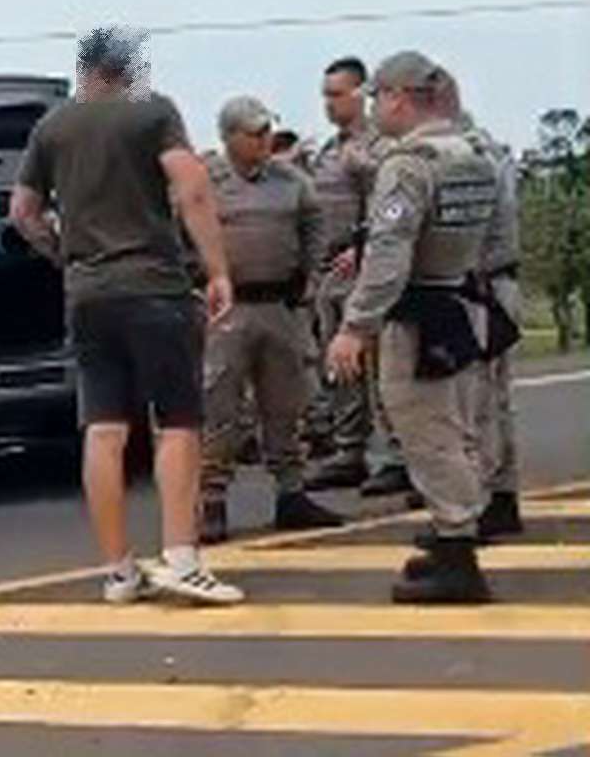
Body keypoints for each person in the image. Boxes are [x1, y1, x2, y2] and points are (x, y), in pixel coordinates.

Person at [10, 26, 243, 605]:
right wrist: (216, 270)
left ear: (85, 67)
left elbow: (23, 213)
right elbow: (191, 189)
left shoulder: (52, 126)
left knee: (105, 429)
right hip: (154, 287)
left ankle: (119, 571)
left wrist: (64, 254)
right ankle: (181, 557)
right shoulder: (152, 112)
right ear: (129, 69)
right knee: (179, 421)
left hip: (88, 293)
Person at [326, 51, 498, 603]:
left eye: (377, 96)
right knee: (459, 427)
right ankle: (456, 535)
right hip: (461, 300)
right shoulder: (474, 153)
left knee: (424, 430)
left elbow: (390, 252)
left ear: (400, 97)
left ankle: (457, 552)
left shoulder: (409, 164)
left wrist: (356, 325)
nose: (374, 107)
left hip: (418, 310)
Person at [199, 96, 343, 543]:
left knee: (285, 406)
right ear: (230, 137)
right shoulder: (206, 181)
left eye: (267, 132)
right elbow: (178, 230)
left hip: (280, 304)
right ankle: (211, 502)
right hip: (226, 310)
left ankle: (291, 493)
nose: (264, 141)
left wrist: (307, 276)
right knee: (220, 407)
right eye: (254, 133)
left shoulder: (292, 181)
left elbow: (315, 228)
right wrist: (198, 278)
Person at [307, 56, 412, 497]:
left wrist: (361, 248)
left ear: (360, 94)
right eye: (325, 96)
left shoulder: (381, 148)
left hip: (365, 267)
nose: (329, 104)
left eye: (337, 95)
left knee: (377, 365)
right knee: (339, 368)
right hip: (328, 271)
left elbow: (395, 206)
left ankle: (397, 454)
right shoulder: (330, 150)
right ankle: (349, 450)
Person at [435, 71, 524, 537]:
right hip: (492, 284)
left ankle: (483, 500)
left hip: (478, 287)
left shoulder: (461, 155)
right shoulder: (490, 148)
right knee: (492, 399)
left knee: (474, 401)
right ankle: (499, 495)